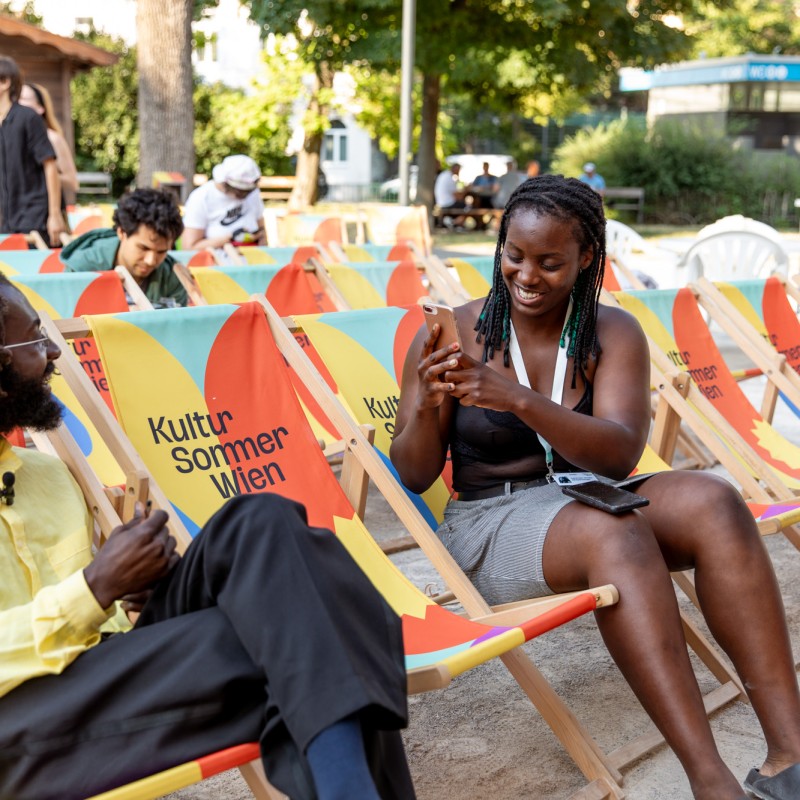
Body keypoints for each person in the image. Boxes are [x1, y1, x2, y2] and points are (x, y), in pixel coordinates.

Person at [390, 174, 800, 800]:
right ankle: (712, 783)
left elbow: (618, 452)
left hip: (588, 492)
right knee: (618, 529)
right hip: (490, 524)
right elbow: (415, 475)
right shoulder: (458, 331)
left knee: (715, 501)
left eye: (551, 263)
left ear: (587, 259)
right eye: (515, 256)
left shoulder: (612, 332)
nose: (527, 276)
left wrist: (518, 400)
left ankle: (790, 758)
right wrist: (425, 400)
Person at [0, 274, 415, 800]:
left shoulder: (49, 476)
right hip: (18, 721)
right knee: (315, 624)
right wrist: (94, 588)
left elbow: (96, 622)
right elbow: (77, 604)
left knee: (259, 522)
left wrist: (135, 591)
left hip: (108, 671)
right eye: (34, 339)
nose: (53, 351)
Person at [62, 188, 187, 308]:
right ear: (121, 232)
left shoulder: (174, 276)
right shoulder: (82, 269)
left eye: (161, 252)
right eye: (143, 248)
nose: (151, 260)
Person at [0, 56, 64, 247]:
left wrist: (54, 215)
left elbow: (50, 166)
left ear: (5, 82)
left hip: (34, 217)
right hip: (5, 222)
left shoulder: (28, 118)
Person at [182, 154, 267, 249]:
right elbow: (189, 247)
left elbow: (261, 227)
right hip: (217, 259)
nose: (246, 195)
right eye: (241, 191)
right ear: (225, 183)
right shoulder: (201, 197)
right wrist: (230, 238)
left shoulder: (253, 193)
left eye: (248, 191)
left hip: (252, 256)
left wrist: (262, 241)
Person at [18, 82, 78, 206]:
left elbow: (73, 182)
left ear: (41, 108)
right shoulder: (12, 138)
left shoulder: (53, 138)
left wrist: (43, 174)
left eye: (23, 99)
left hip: (46, 210)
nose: (18, 103)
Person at [433, 162, 467, 228]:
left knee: (462, 205)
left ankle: (453, 222)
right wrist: (466, 190)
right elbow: (458, 196)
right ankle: (455, 223)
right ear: (456, 169)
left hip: (441, 202)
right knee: (467, 207)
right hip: (447, 203)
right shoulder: (449, 178)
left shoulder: (444, 175)